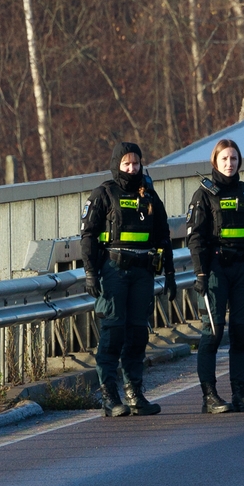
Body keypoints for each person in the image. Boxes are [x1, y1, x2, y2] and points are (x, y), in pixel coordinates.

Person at [81, 142, 175, 417]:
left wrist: (169, 274)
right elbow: (87, 236)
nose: (132, 169)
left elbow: (164, 237)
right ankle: (110, 397)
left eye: (136, 164)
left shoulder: (149, 196)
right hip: (113, 272)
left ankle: (135, 394)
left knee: (136, 334)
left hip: (143, 273)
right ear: (116, 165)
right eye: (126, 164)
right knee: (113, 333)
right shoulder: (104, 194)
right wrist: (90, 273)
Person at [188, 138, 244, 414]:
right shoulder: (204, 195)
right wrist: (200, 273)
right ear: (215, 161)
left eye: (233, 159)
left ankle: (239, 393)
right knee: (213, 332)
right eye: (224, 159)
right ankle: (209, 395)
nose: (229, 163)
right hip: (215, 270)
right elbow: (195, 238)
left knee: (240, 332)